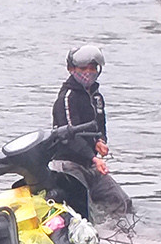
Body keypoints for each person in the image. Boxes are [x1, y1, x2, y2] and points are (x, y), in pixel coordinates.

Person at [50, 45, 134, 227]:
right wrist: (94, 159)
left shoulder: (96, 97)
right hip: (68, 164)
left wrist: (100, 142)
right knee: (83, 210)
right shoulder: (67, 97)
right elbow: (69, 135)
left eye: (93, 68)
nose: (88, 72)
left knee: (121, 202)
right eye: (83, 68)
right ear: (71, 69)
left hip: (90, 163)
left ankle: (120, 233)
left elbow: (99, 125)